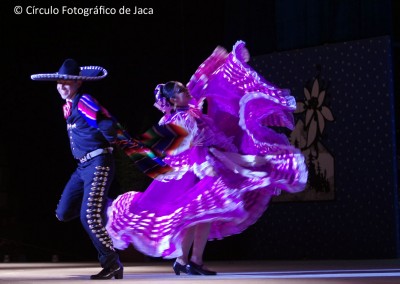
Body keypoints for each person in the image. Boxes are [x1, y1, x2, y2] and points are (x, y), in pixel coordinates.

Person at [105, 41, 308, 275]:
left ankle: (191, 261)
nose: (185, 92)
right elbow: (168, 148)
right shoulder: (174, 121)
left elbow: (198, 82)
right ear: (172, 100)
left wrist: (220, 60)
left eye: (183, 89)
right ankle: (187, 260)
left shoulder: (191, 109)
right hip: (193, 171)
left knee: (203, 215)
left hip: (209, 162)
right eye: (180, 91)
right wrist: (197, 155)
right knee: (195, 214)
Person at [31, 59, 124, 280]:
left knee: (88, 217)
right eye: (59, 82)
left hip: (99, 163)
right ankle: (102, 206)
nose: (61, 86)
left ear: (78, 83)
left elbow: (105, 122)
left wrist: (112, 134)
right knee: (63, 213)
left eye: (67, 83)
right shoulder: (68, 105)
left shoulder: (84, 101)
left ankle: (112, 264)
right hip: (82, 166)